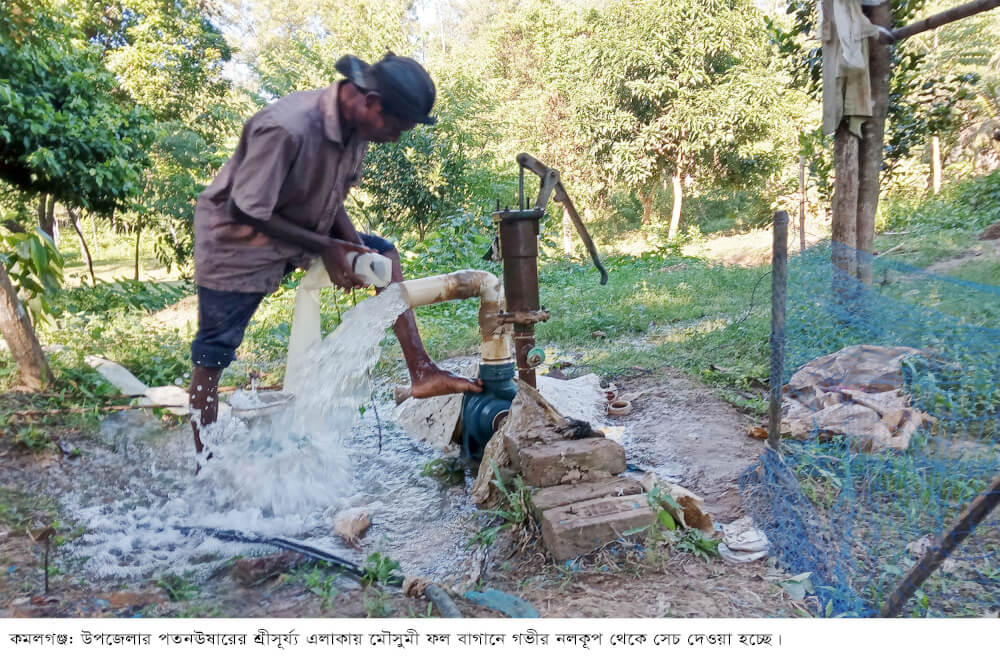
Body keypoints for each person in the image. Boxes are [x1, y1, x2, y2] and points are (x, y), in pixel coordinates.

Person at [188, 53, 482, 456]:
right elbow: (246, 208)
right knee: (213, 353)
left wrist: (354, 249)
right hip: (236, 241)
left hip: (300, 227)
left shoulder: (355, 131)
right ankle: (206, 463)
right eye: (396, 127)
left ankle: (422, 370)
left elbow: (329, 197)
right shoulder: (287, 128)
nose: (396, 137)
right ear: (370, 102)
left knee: (384, 257)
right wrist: (327, 247)